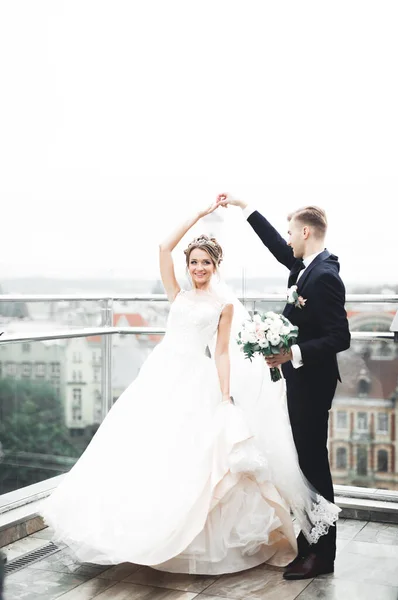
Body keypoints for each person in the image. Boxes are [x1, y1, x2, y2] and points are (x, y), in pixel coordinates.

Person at [41, 200, 339, 575]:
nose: (199, 268)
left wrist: (226, 394)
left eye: (206, 262)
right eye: (194, 262)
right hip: (160, 374)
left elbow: (221, 354)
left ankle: (186, 539)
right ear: (188, 265)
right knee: (140, 450)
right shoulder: (177, 294)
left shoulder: (223, 305)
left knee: (193, 456)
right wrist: (198, 215)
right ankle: (128, 530)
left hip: (197, 379)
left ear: (216, 267)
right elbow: (164, 248)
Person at [216, 194, 350, 579]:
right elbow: (278, 247)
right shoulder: (307, 266)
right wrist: (246, 208)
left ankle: (323, 555)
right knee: (302, 465)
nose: (288, 238)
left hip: (312, 384)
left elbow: (340, 337)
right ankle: (310, 542)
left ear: (306, 232)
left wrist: (293, 352)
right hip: (301, 381)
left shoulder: (324, 275)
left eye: (292, 231)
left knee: (312, 467)